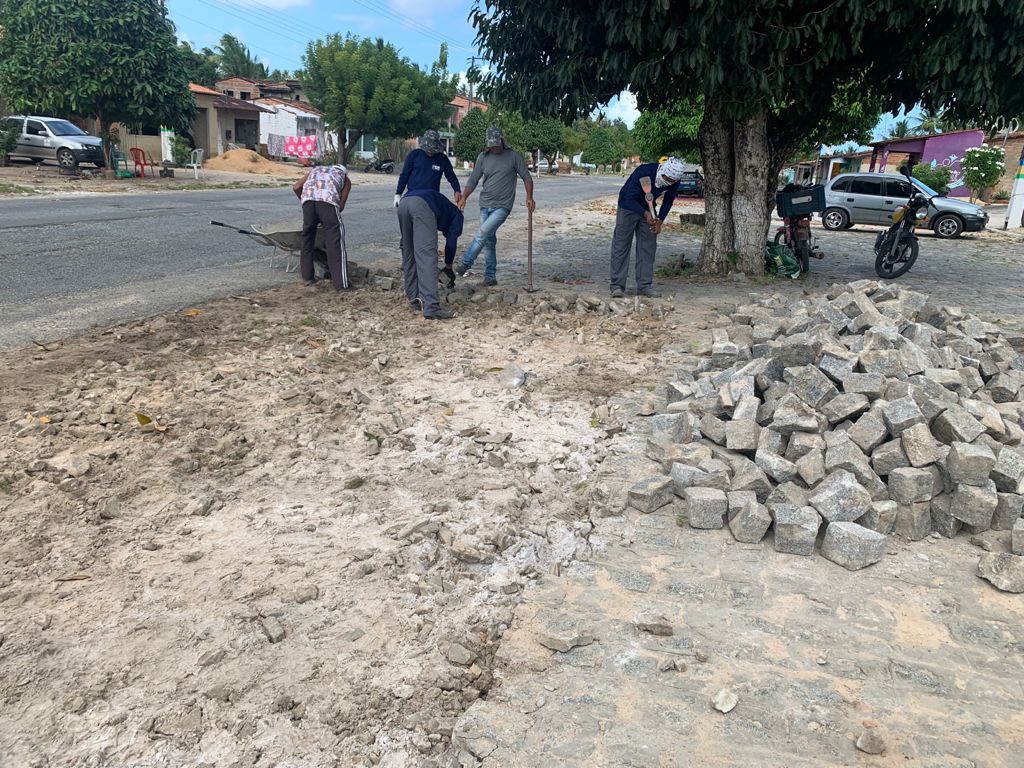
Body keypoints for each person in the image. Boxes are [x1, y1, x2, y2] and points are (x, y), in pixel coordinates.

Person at [455, 126, 535, 286]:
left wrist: (529, 197)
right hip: (485, 204)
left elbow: (527, 178)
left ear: (501, 140)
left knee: (482, 233)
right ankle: (490, 277)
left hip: (502, 206)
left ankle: (465, 263)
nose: (494, 147)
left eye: (496, 144)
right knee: (489, 241)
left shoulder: (513, 156)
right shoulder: (482, 157)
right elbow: (473, 179)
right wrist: (464, 197)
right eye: (491, 145)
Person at [609, 156, 684, 298]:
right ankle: (617, 286)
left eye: (672, 181)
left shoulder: (675, 179)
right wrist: (644, 214)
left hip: (649, 207)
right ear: (663, 171)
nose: (669, 182)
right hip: (627, 206)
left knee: (648, 247)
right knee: (621, 245)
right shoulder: (644, 172)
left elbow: (668, 201)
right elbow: (630, 198)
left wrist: (659, 220)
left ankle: (644, 286)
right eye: (667, 179)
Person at [398, 189, 463, 320]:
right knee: (427, 256)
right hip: (422, 207)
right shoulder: (458, 216)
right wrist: (448, 266)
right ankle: (431, 307)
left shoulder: (445, 206)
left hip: (404, 203)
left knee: (409, 253)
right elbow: (451, 243)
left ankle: (414, 300)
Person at [292, 162, 354, 292]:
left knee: (307, 239)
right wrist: (326, 216)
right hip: (328, 202)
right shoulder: (345, 178)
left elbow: (296, 187)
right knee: (335, 242)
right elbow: (341, 206)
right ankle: (341, 285)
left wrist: (306, 201)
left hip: (308, 202)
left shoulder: (316, 170)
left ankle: (307, 277)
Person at [394, 129, 461, 206]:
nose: (430, 152)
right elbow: (404, 175)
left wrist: (457, 190)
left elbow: (452, 177)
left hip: (431, 197)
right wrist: (398, 194)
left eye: (432, 150)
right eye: (428, 150)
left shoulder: (442, 159)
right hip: (413, 195)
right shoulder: (414, 155)